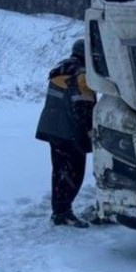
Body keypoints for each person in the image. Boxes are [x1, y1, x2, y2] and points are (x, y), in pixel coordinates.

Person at [35, 39, 96, 228]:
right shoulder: (82, 75)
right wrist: (88, 132)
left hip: (52, 127)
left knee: (60, 170)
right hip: (69, 130)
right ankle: (64, 213)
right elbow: (83, 107)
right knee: (74, 172)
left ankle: (59, 211)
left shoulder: (61, 68)